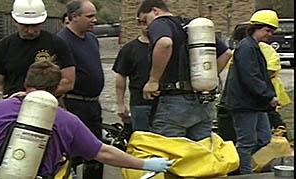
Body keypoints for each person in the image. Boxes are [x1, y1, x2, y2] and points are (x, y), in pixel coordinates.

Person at [0, 61, 173, 179]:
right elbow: (103, 152)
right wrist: (145, 164)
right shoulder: (68, 121)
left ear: (25, 83)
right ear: (57, 88)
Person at [137, 0, 232, 141]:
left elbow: (165, 43)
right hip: (202, 102)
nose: (146, 26)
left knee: (171, 155)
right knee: (201, 154)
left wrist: (153, 80)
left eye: (145, 20)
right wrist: (207, 77)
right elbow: (227, 54)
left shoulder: (160, 23)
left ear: (155, 11)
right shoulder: (190, 25)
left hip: (174, 102)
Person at [223, 10, 279, 174]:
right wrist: (268, 96)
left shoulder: (254, 47)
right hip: (244, 104)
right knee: (247, 142)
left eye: (272, 31)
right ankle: (244, 174)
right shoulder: (246, 47)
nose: (270, 35)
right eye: (267, 30)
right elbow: (251, 77)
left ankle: (235, 160)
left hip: (255, 103)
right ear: (255, 28)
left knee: (264, 138)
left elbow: (260, 76)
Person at [0, 0, 75, 99]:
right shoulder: (2, 48)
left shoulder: (57, 43)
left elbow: (68, 81)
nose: (31, 31)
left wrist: (38, 97)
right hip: (14, 105)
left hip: (48, 104)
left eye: (35, 25)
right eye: (25, 25)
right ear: (15, 21)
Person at [57, 1, 105, 178]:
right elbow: (57, 78)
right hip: (73, 104)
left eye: (94, 15)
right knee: (72, 155)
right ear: (74, 17)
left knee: (96, 153)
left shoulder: (92, 39)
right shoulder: (61, 41)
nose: (95, 20)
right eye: (90, 16)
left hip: (93, 106)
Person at [112, 12, 152, 131]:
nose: (147, 26)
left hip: (166, 103)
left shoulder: (165, 46)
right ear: (138, 24)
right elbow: (121, 76)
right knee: (142, 141)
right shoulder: (130, 49)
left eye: (150, 22)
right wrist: (120, 103)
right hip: (140, 104)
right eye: (143, 22)